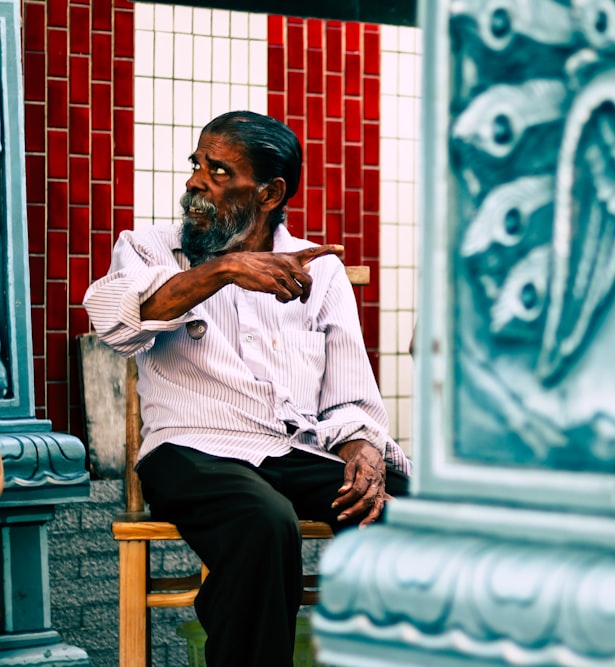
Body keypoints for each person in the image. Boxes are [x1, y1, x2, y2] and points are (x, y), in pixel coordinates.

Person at [84, 110, 410, 667]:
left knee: (411, 511)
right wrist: (225, 269)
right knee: (264, 522)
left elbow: (350, 395)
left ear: (269, 192)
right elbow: (112, 320)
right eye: (196, 166)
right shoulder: (149, 249)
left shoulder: (320, 271)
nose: (195, 183)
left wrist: (362, 449)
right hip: (192, 451)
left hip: (294, 447)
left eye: (218, 171)